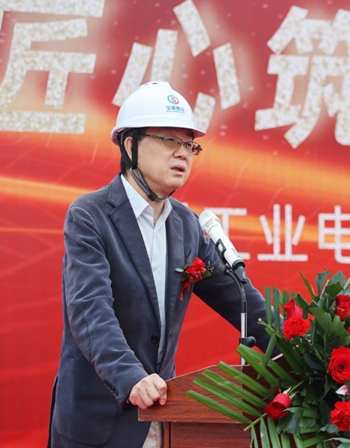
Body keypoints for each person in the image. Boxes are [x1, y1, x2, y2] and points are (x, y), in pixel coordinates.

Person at [48, 82, 272, 448]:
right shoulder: (89, 216)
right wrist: (130, 377)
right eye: (169, 140)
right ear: (130, 145)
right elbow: (90, 311)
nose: (183, 153)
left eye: (190, 145)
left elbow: (243, 301)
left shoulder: (187, 225)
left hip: (161, 418)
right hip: (97, 421)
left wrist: (307, 355)